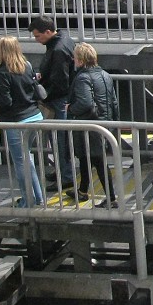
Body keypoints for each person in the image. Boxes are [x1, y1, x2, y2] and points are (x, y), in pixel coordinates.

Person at [0, 37, 44, 208]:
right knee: (27, 159)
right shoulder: (27, 65)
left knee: (21, 162)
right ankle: (37, 197)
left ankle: (28, 200)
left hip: (16, 121)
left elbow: (5, 101)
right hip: (35, 116)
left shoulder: (2, 72)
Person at [68, 42, 120, 207]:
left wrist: (70, 108)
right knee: (86, 157)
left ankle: (111, 199)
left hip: (90, 125)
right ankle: (82, 191)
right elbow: (114, 101)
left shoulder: (83, 78)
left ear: (81, 60)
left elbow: (85, 103)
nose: (73, 60)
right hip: (104, 122)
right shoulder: (105, 74)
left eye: (75, 57)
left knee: (98, 161)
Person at [29, 17, 76, 192]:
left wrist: (44, 96)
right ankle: (63, 171)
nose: (36, 39)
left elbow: (60, 82)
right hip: (64, 97)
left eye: (38, 36)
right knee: (60, 139)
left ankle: (66, 177)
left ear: (48, 32)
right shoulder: (64, 40)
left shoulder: (57, 50)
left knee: (59, 139)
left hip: (58, 100)